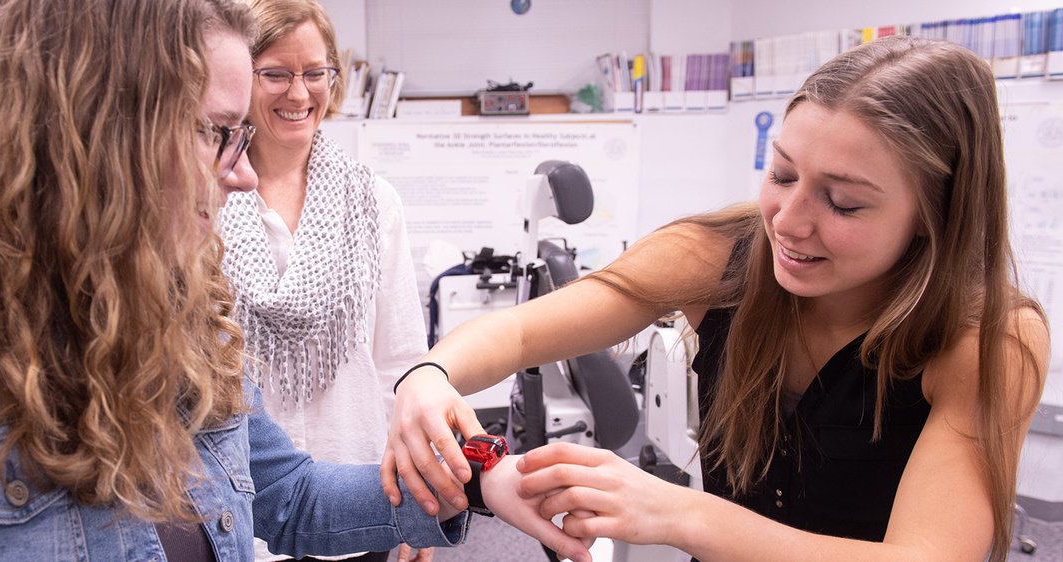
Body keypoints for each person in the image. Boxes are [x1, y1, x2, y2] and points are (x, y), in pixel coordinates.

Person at [0, 0, 594, 560]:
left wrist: (480, 483)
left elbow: (287, 495)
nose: (239, 173)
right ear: (91, 127)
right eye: (219, 133)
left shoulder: (173, 312)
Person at [382, 36, 1048, 562]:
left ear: (937, 214)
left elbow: (924, 556)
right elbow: (522, 335)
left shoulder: (987, 339)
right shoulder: (721, 257)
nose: (788, 221)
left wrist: (680, 514)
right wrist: (430, 375)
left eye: (843, 202)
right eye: (782, 173)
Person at [214, 1, 431, 561]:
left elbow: (401, 364)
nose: (299, 93)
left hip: (357, 492)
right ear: (242, 78)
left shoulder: (372, 202)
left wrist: (416, 507)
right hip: (238, 506)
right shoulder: (205, 198)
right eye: (277, 74)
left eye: (315, 73)